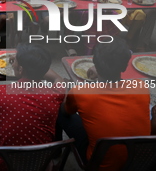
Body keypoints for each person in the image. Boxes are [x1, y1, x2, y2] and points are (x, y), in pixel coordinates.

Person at [58, 36, 155, 169]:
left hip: (97, 163)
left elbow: (66, 111)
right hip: (136, 160)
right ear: (126, 65)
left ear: (94, 63)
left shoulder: (81, 92)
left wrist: (67, 91)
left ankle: (56, 150)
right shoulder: (141, 86)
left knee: (60, 110)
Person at [0, 42, 64, 170]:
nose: (13, 62)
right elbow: (59, 79)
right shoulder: (55, 94)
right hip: (41, 162)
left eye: (14, 61)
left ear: (20, 69)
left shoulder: (1, 91)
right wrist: (36, 67)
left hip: (4, 162)